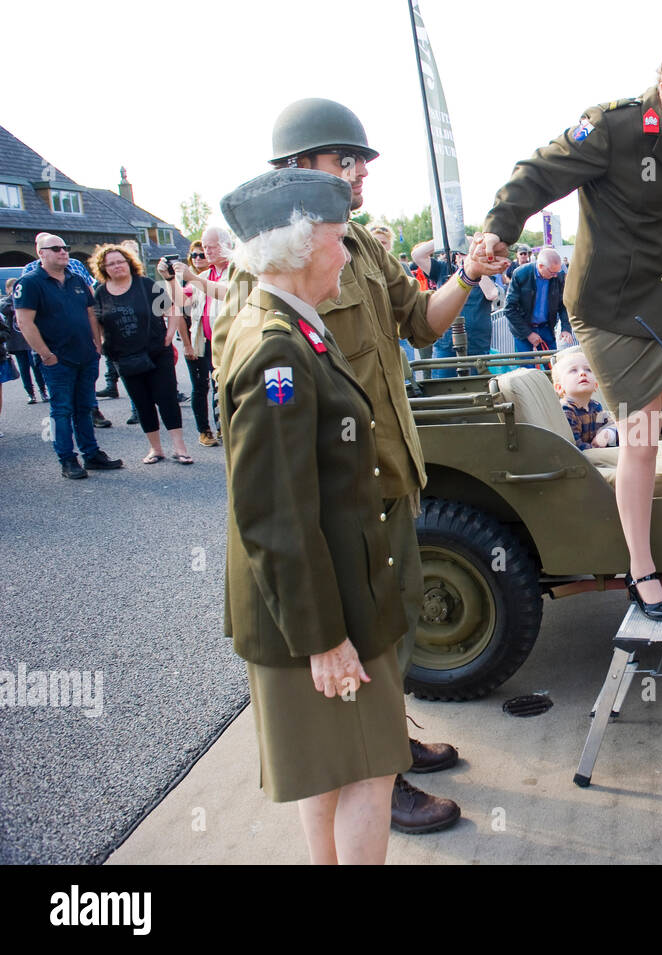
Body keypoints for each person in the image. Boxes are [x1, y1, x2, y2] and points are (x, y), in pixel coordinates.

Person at [212, 97, 505, 834]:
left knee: (394, 627)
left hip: (391, 483)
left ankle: (389, 740)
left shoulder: (363, 248)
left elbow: (424, 323)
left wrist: (467, 274)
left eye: (361, 160)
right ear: (294, 171)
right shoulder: (263, 281)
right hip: (344, 503)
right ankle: (381, 770)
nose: (358, 172)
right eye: (342, 161)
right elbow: (268, 472)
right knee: (364, 639)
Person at [478, 26, 662, 622]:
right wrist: (498, 230)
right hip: (607, 306)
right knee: (641, 437)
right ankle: (641, 568)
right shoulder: (612, 126)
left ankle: (650, 394)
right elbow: (537, 174)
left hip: (660, 289)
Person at [219, 168, 412, 865]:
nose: (350, 254)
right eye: (340, 240)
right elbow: (274, 513)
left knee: (327, 767)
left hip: (325, 602)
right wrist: (324, 639)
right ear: (301, 249)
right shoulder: (280, 349)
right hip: (321, 614)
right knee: (366, 766)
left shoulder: (293, 330)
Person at [13, 235, 123, 478]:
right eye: (56, 249)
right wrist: (46, 354)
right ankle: (67, 459)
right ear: (41, 253)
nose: (63, 252)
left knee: (84, 408)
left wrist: (96, 345)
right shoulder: (30, 283)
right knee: (61, 411)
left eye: (65, 248)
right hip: (57, 360)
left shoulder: (76, 280)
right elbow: (24, 322)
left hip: (85, 356)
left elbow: (91, 314)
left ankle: (91, 454)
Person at [89, 244, 192, 465]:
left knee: (167, 400)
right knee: (142, 403)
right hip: (125, 358)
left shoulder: (144, 285)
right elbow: (96, 324)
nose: (117, 266)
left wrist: (170, 333)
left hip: (156, 353)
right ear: (104, 268)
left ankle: (179, 448)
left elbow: (172, 308)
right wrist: (99, 346)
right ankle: (156, 449)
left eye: (120, 261)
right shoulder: (101, 293)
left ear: (129, 263)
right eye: (111, 264)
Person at [164, 227, 232, 448]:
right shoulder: (204, 275)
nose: (206, 252)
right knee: (209, 387)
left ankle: (232, 430)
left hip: (233, 343)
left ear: (227, 245)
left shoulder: (238, 270)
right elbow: (180, 301)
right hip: (209, 344)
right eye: (203, 247)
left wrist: (192, 277)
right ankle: (214, 429)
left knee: (231, 388)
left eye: (211, 247)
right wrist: (169, 279)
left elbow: (228, 293)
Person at [505, 247, 574, 360]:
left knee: (552, 364)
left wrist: (566, 328)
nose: (556, 275)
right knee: (526, 368)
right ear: (541, 266)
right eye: (552, 273)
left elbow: (563, 304)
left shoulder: (558, 276)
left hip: (546, 328)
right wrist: (528, 334)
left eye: (558, 272)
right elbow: (509, 308)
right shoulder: (521, 274)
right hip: (523, 329)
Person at [553, 347, 618, 449]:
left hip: (596, 455)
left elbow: (615, 425)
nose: (583, 373)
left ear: (596, 385)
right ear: (559, 387)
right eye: (573, 370)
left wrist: (607, 433)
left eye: (588, 369)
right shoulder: (565, 410)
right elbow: (574, 447)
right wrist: (597, 449)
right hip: (579, 460)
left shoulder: (595, 407)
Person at [1, 277, 48, 403]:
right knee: (24, 369)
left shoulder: (28, 300)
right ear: (7, 290)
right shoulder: (6, 303)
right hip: (17, 344)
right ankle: (30, 393)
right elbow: (5, 309)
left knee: (37, 368)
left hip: (30, 341)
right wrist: (14, 299)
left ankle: (43, 391)